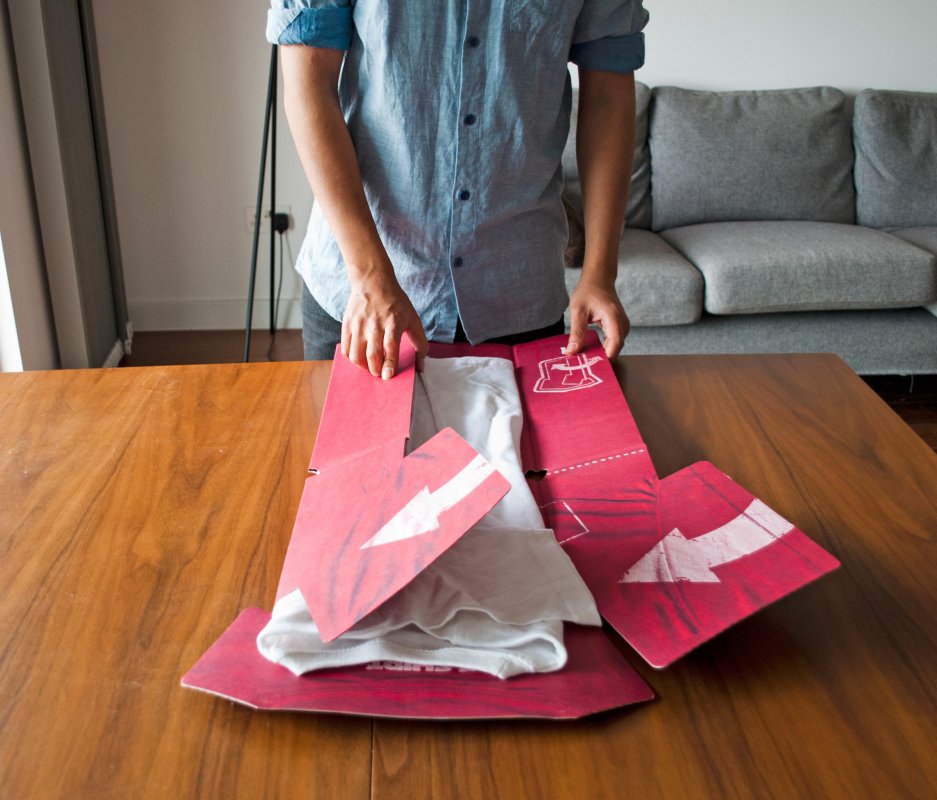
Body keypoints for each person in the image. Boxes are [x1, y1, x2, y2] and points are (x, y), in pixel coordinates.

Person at [266, 1, 648, 378]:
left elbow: (607, 95)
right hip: (361, 293)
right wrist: (368, 275)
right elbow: (308, 85)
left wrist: (600, 273)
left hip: (518, 293)